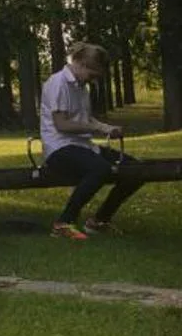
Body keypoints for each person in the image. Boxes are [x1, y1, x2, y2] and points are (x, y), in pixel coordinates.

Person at [40, 42, 140, 240]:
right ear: (82, 64)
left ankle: (99, 221)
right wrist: (97, 128)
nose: (93, 80)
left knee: (134, 170)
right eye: (93, 74)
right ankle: (63, 223)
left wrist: (107, 128)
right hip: (59, 148)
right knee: (100, 169)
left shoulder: (81, 87)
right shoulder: (58, 83)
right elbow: (62, 125)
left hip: (83, 146)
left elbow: (86, 120)